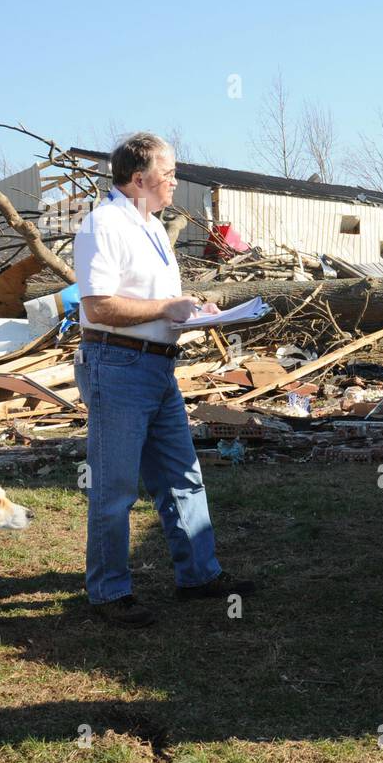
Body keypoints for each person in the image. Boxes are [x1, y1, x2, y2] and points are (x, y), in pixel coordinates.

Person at [74, 132, 256, 628]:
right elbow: (97, 306)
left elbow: (151, 302)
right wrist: (167, 308)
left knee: (181, 475)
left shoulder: (150, 225)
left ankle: (198, 574)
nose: (175, 180)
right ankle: (109, 593)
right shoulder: (103, 224)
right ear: (139, 179)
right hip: (117, 365)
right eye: (168, 172)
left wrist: (194, 310)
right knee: (114, 488)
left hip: (154, 365)